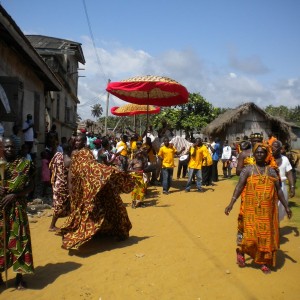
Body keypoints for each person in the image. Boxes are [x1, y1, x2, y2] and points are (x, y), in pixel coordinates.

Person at [225, 143, 292, 274]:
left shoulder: (272, 171)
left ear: (267, 155)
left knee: (265, 236)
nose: (260, 154)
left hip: (267, 212)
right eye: (258, 152)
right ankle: (242, 252)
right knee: (250, 237)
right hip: (250, 210)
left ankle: (264, 262)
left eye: (263, 152)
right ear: (254, 154)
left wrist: (286, 206)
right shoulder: (248, 170)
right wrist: (231, 203)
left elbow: (279, 190)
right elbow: (239, 187)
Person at [59, 133, 135, 249]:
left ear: (84, 142)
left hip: (88, 186)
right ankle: (82, 229)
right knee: (79, 209)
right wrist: (71, 186)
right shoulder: (75, 153)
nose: (76, 142)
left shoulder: (86, 152)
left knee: (92, 207)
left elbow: (90, 167)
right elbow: (71, 168)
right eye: (76, 141)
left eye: (79, 141)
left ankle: (96, 230)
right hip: (78, 186)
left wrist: (106, 172)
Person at [0, 137, 35, 289]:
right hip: (1, 209)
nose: (9, 150)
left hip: (17, 209)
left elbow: (31, 186)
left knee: (20, 241)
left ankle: (19, 277)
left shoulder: (26, 164)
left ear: (18, 148)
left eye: (12, 147)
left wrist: (16, 194)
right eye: (6, 147)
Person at [48, 143, 71, 232]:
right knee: (61, 205)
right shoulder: (68, 160)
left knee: (61, 205)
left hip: (56, 183)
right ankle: (52, 226)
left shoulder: (57, 156)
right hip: (63, 185)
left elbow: (51, 166)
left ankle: (69, 223)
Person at [271, 140, 295, 221]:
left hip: (282, 186)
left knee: (280, 208)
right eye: (272, 146)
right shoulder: (267, 159)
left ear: (280, 149)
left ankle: (276, 227)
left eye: (276, 147)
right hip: (269, 186)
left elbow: (289, 173)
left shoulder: (285, 159)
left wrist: (292, 187)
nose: (273, 148)